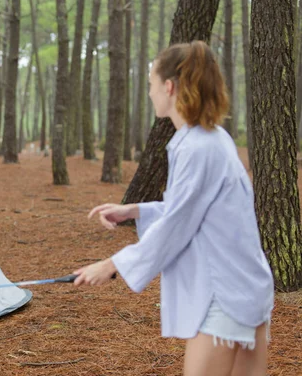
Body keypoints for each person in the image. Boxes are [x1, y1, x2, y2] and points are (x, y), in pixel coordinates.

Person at [73, 41, 274, 376]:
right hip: (246, 286)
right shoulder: (212, 139)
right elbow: (194, 210)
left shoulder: (197, 146)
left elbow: (178, 226)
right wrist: (136, 210)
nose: (150, 93)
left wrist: (111, 264)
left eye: (151, 85)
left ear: (169, 87)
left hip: (223, 294)